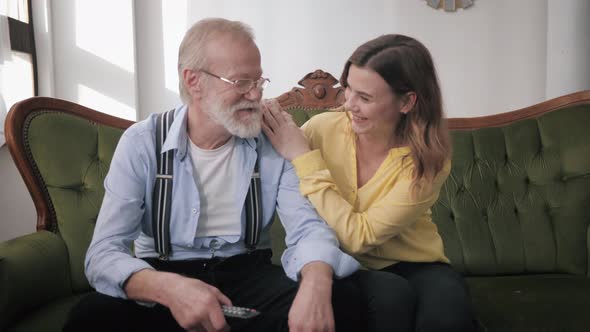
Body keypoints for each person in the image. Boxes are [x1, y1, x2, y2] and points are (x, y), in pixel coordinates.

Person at [63, 18, 364, 332]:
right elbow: (103, 252)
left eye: (259, 82)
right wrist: (170, 289)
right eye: (241, 83)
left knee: (340, 298)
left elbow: (308, 229)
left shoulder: (275, 138)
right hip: (163, 277)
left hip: (248, 275)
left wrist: (316, 283)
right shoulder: (143, 142)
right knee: (91, 317)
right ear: (193, 81)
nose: (255, 95)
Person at [262, 34, 476, 332]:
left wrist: (305, 158)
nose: (349, 105)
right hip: (341, 263)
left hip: (417, 265)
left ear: (406, 102)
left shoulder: (427, 161)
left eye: (365, 97)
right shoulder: (321, 129)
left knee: (447, 320)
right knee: (387, 302)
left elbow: (359, 236)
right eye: (348, 89)